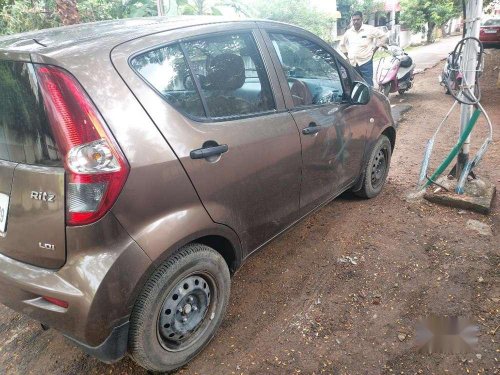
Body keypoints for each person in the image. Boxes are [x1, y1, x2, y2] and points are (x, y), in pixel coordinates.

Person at [339, 11, 388, 86]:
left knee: (368, 85)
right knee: (356, 85)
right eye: (354, 20)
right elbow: (341, 45)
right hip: (353, 64)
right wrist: (347, 57)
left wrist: (376, 48)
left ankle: (370, 97)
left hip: (366, 62)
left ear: (362, 19)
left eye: (358, 19)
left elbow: (383, 36)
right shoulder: (349, 32)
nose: (356, 21)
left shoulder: (369, 29)